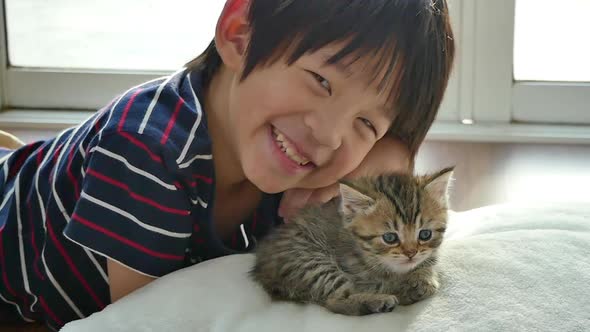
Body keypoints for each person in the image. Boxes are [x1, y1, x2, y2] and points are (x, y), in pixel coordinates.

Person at [0, 0, 454, 329]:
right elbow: (142, 321)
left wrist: (362, 173)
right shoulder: (145, 154)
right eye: (321, 81)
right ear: (240, 35)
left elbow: (396, 155)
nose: (329, 135)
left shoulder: (279, 144)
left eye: (364, 123)